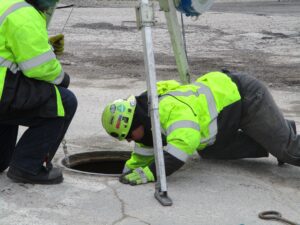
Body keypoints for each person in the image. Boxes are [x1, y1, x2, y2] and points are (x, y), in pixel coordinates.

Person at [101, 70, 299, 185]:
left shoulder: (169, 108)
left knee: (287, 150)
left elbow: (182, 146)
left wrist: (151, 174)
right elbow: (144, 153)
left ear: (136, 121)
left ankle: (279, 137)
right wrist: (128, 171)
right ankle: (274, 134)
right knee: (211, 151)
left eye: (127, 135)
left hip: (247, 99)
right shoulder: (146, 122)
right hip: (226, 115)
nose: (128, 140)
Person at [0, 0, 77, 184]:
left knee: (14, 105)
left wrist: (47, 48)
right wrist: (62, 78)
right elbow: (39, 67)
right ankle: (26, 167)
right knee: (64, 101)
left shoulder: (6, 4)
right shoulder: (23, 14)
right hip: (2, 92)